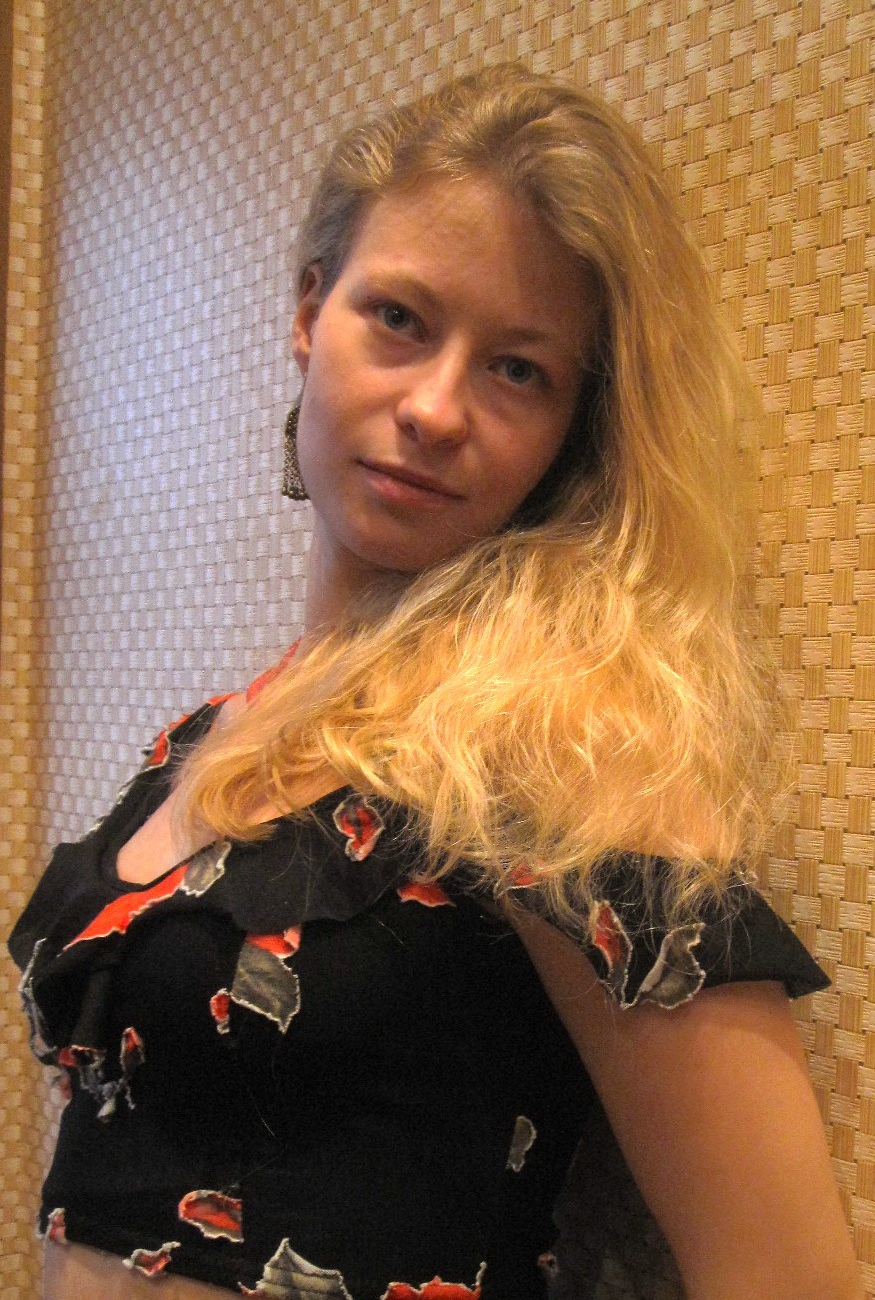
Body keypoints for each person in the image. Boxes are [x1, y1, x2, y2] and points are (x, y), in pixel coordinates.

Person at [10, 64, 862, 1300]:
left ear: (571, 428)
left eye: (517, 369)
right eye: (400, 318)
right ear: (311, 309)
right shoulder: (203, 735)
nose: (435, 407)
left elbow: (784, 1276)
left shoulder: (559, 741)